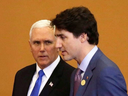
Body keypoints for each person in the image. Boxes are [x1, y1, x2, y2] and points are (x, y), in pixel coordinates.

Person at [51, 6, 128, 96]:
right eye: (57, 38)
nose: (57, 45)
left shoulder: (106, 72)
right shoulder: (75, 75)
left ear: (83, 37)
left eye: (63, 37)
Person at [12, 20, 75, 96]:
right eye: (37, 43)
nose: (42, 49)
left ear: (58, 44)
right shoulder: (21, 76)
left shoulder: (72, 78)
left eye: (47, 42)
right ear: (30, 46)